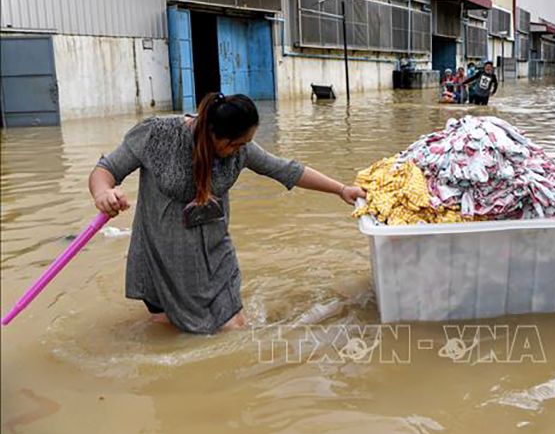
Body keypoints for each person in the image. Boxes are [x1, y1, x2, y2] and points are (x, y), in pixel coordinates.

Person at [89, 93, 366, 334]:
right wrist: (104, 193)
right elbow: (106, 170)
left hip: (214, 257)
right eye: (235, 144)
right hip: (160, 258)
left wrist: (341, 189)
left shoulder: (239, 150)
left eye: (244, 144)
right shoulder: (157, 135)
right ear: (211, 132)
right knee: (169, 337)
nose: (239, 151)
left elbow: (286, 169)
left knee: (233, 329)